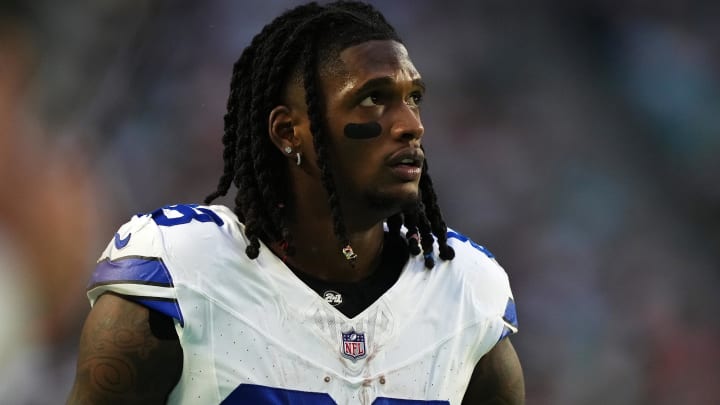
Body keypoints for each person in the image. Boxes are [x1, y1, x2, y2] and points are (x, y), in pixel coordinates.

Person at [66, 1, 524, 404]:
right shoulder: (180, 274)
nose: (411, 125)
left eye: (414, 98)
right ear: (289, 132)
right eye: (372, 99)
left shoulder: (465, 293)